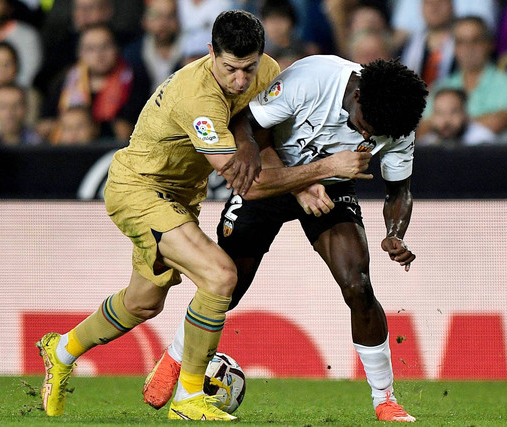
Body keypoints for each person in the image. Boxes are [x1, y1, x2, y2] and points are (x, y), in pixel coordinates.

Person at [34, 10, 373, 421]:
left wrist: (299, 182)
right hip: (139, 188)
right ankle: (190, 397)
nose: (240, 80)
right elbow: (248, 183)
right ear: (211, 52)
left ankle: (61, 350)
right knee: (221, 275)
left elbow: (262, 141)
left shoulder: (267, 70)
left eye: (248, 68)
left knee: (142, 304)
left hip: (180, 195)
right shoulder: (198, 99)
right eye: (230, 68)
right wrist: (322, 170)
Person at [143, 56, 428, 423]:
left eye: (375, 136)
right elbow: (247, 126)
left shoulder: (397, 122)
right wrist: (299, 183)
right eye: (363, 127)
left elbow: (398, 190)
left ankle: (384, 398)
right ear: (356, 94)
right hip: (270, 175)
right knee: (225, 285)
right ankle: (175, 358)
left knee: (357, 284)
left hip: (332, 187)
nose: (366, 139)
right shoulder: (312, 79)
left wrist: (394, 233)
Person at [38, 24, 150, 142]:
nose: (99, 54)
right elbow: (45, 123)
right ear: (80, 53)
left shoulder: (134, 80)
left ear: (116, 48)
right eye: (91, 49)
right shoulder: (66, 80)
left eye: (105, 46)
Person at [418, 16, 507, 137]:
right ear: (455, 48)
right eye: (461, 42)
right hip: (445, 154)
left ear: (489, 44)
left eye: (475, 40)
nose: (468, 48)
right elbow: (422, 129)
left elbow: (499, 122)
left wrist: (445, 125)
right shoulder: (441, 86)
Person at [400, 0, 456, 88]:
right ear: (421, 8)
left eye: (440, 2)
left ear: (452, 6)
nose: (434, 8)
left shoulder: (462, 44)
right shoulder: (407, 45)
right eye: (429, 3)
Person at [417, 88, 496, 146]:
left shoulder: (484, 143)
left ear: (465, 114)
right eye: (439, 113)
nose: (446, 120)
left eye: (453, 112)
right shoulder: (425, 145)